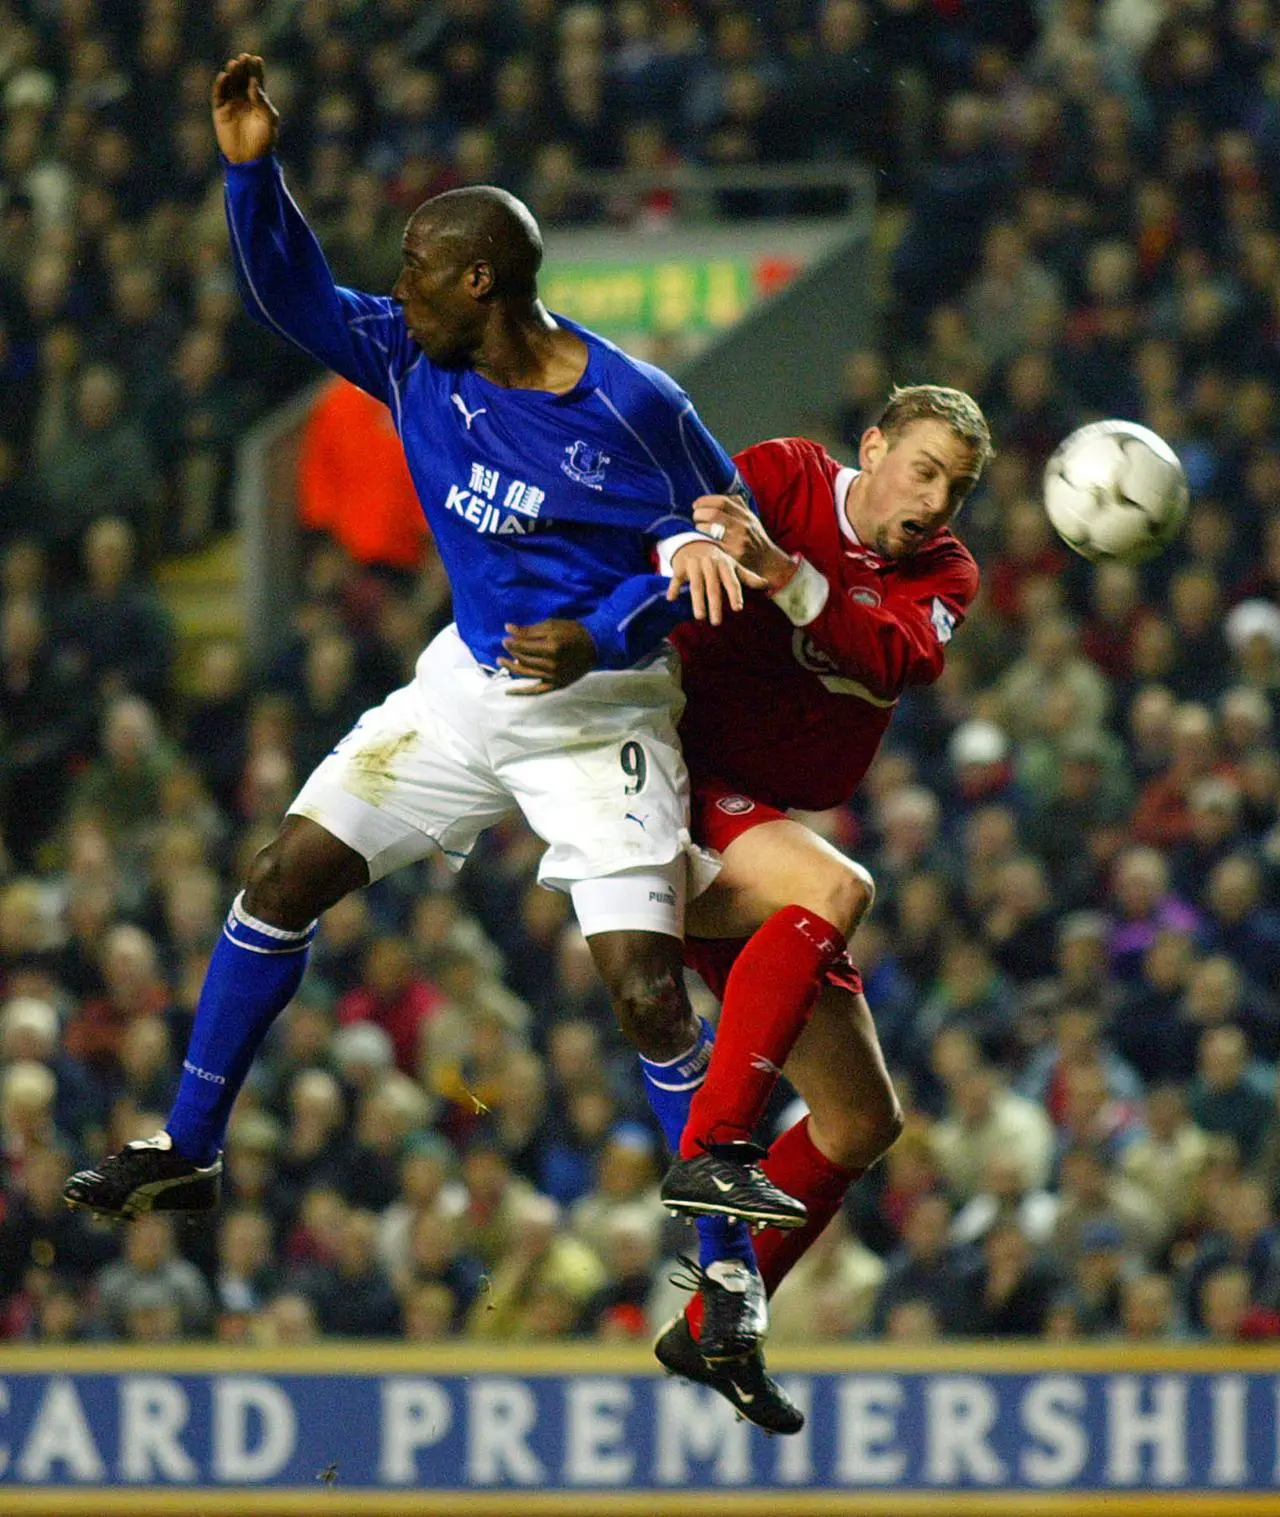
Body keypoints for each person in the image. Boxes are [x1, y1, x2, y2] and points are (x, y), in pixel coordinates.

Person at [64, 55, 749, 1246]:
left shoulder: (633, 407)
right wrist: (249, 170)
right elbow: (292, 294)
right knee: (280, 876)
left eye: (417, 270)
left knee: (645, 992)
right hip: (465, 687)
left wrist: (602, 633)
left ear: (479, 279)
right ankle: (187, 1147)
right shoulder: (408, 356)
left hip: (604, 712)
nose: (397, 288)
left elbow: (721, 552)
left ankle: (723, 1276)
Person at [657, 389, 989, 1421]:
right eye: (922, 470)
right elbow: (685, 518)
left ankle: (720, 1316)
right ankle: (710, 1150)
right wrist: (700, 539)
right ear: (874, 446)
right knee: (840, 884)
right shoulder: (785, 473)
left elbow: (894, 656)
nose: (934, 501)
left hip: (757, 832)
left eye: (955, 486)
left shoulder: (942, 572)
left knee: (858, 1118)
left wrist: (786, 580)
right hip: (671, 779)